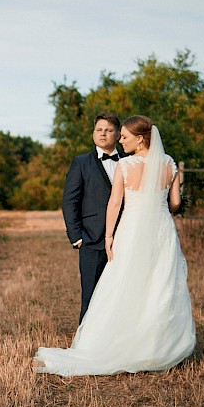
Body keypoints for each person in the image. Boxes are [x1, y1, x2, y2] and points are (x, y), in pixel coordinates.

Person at [35, 116, 195, 376]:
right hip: (162, 232)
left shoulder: (126, 163)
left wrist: (110, 238)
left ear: (139, 138)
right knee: (158, 287)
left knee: (119, 287)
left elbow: (114, 204)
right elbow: (175, 203)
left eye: (122, 135)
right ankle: (156, 347)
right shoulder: (169, 164)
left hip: (129, 232)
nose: (119, 139)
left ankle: (107, 344)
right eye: (105, 131)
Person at [62, 112, 123, 323]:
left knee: (122, 296)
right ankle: (85, 345)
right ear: (92, 134)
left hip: (125, 238)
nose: (103, 134)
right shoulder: (81, 163)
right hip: (91, 239)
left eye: (108, 130)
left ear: (118, 134)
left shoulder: (130, 162)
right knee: (91, 296)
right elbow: (70, 201)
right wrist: (77, 236)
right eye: (99, 130)